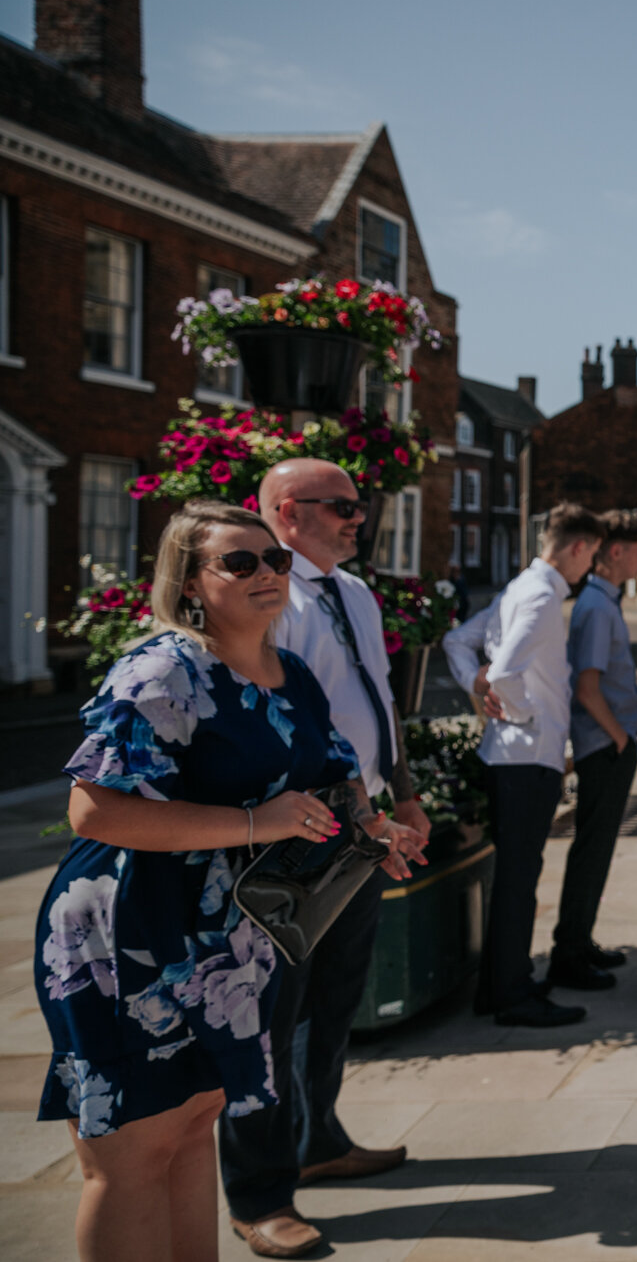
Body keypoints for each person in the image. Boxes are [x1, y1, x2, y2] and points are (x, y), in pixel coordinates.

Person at [37, 501, 411, 1262]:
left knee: (190, 1127)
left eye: (274, 559)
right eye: (240, 562)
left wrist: (374, 831)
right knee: (134, 1150)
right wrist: (254, 823)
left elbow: (336, 777)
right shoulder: (164, 667)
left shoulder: (290, 670)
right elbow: (93, 809)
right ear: (191, 582)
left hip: (228, 938)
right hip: (131, 932)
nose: (268, 573)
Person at [220, 461, 432, 1257]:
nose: (357, 518)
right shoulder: (276, 598)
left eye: (358, 506)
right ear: (285, 511)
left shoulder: (356, 592)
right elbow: (287, 724)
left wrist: (400, 795)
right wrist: (354, 813)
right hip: (295, 834)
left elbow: (377, 700)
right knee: (269, 1019)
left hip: (359, 826)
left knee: (334, 999)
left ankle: (319, 1136)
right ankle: (259, 1192)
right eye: (340, 506)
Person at [443, 502, 606, 1027]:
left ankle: (498, 986)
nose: (590, 567)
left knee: (514, 877)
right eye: (593, 555)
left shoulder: (520, 587)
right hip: (525, 759)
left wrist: (477, 684)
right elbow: (507, 673)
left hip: (510, 756)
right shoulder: (539, 595)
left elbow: (457, 641)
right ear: (578, 547)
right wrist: (522, 714)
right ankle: (512, 996)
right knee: (519, 879)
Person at [548, 510, 637, 992]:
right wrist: (619, 737)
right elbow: (586, 687)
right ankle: (568, 954)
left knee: (598, 848)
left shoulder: (603, 601)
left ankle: (579, 941)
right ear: (615, 552)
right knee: (592, 849)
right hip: (603, 747)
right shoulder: (594, 606)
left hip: (610, 743)